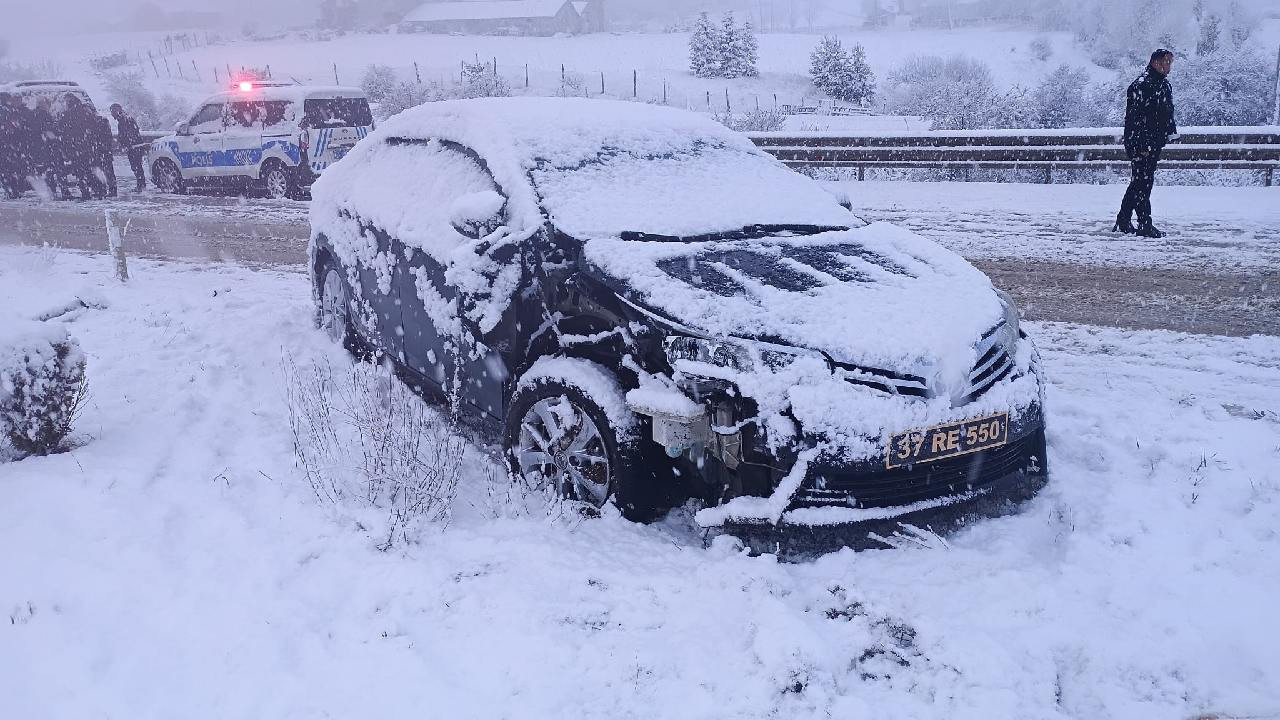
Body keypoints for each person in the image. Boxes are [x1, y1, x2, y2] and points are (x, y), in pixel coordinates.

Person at [1115, 49, 1177, 238]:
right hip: (1141, 144)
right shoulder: (1142, 86)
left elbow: (1166, 112)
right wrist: (1141, 146)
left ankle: (1124, 220)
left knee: (1140, 182)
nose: (1169, 66)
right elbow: (1135, 119)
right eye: (1167, 62)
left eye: (1170, 62)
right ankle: (1143, 223)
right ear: (1156, 63)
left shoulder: (1161, 85)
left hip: (1152, 143)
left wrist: (1169, 133)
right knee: (1143, 183)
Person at [57, 94, 107, 199]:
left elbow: (63, 131)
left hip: (76, 148)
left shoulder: (67, 115)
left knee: (81, 172)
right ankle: (98, 190)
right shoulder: (85, 112)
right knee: (90, 170)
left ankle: (86, 191)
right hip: (87, 147)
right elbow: (94, 127)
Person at [110, 103, 146, 192]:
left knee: (136, 166)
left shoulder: (125, 119)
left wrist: (127, 143)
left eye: (113, 111)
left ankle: (141, 185)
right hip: (134, 146)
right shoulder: (124, 118)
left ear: (117, 110)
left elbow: (129, 133)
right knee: (137, 166)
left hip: (134, 147)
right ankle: (141, 184)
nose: (112, 113)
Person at [95, 113, 117, 197]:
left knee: (105, 172)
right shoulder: (103, 122)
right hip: (105, 152)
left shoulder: (99, 122)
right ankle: (111, 190)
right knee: (108, 172)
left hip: (102, 152)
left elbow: (106, 138)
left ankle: (104, 190)